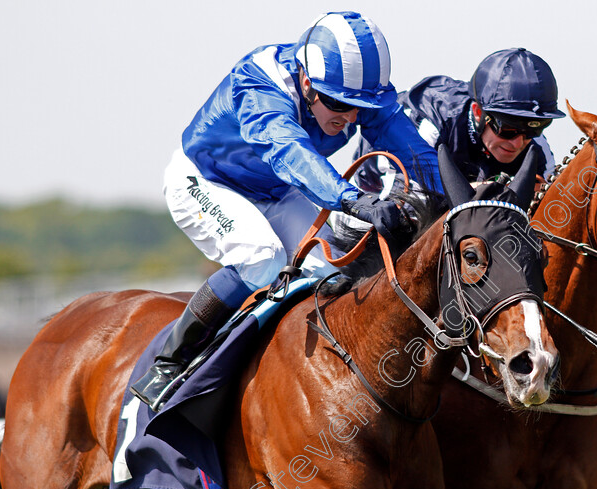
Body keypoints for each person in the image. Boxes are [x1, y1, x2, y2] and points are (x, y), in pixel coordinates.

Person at [130, 11, 442, 407]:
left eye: (358, 107)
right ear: (307, 82)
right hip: (206, 182)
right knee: (263, 258)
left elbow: (416, 154)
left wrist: (461, 201)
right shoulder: (259, 84)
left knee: (329, 274)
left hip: (274, 190)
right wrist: (355, 201)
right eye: (336, 103)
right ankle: (170, 363)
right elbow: (291, 153)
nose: (347, 116)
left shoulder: (355, 92)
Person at [353, 48, 565, 199]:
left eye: (534, 129)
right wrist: (481, 191)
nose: (519, 142)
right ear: (478, 112)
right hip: (375, 188)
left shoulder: (537, 149)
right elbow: (404, 199)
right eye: (508, 130)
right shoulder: (433, 125)